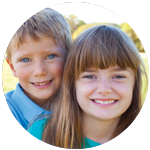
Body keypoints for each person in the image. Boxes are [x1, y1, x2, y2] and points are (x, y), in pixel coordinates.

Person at [19, 25, 150, 150]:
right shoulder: (42, 135)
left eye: (119, 76)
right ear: (72, 84)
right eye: (89, 76)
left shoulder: (147, 135)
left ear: (134, 84)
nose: (104, 89)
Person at [0, 7, 71, 150]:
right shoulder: (6, 113)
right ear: (12, 67)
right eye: (25, 60)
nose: (39, 71)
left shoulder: (81, 99)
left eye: (50, 56)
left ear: (70, 57)